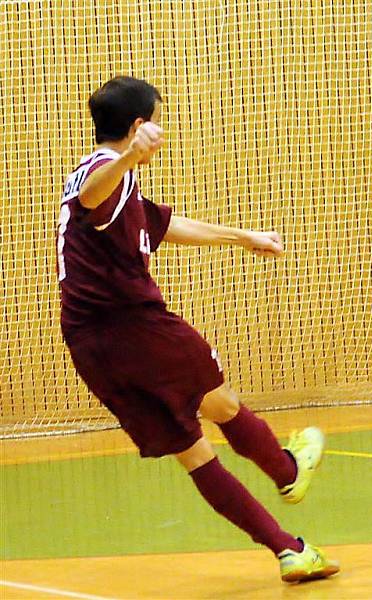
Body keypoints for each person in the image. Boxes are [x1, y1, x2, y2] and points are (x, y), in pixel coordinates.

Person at [57, 76, 339, 582]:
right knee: (222, 403)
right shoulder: (102, 172)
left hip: (91, 349)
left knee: (194, 454)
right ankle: (288, 472)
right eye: (156, 122)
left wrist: (241, 236)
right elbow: (93, 197)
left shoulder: (122, 193)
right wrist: (125, 159)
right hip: (135, 326)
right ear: (139, 126)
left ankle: (288, 550)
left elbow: (163, 224)